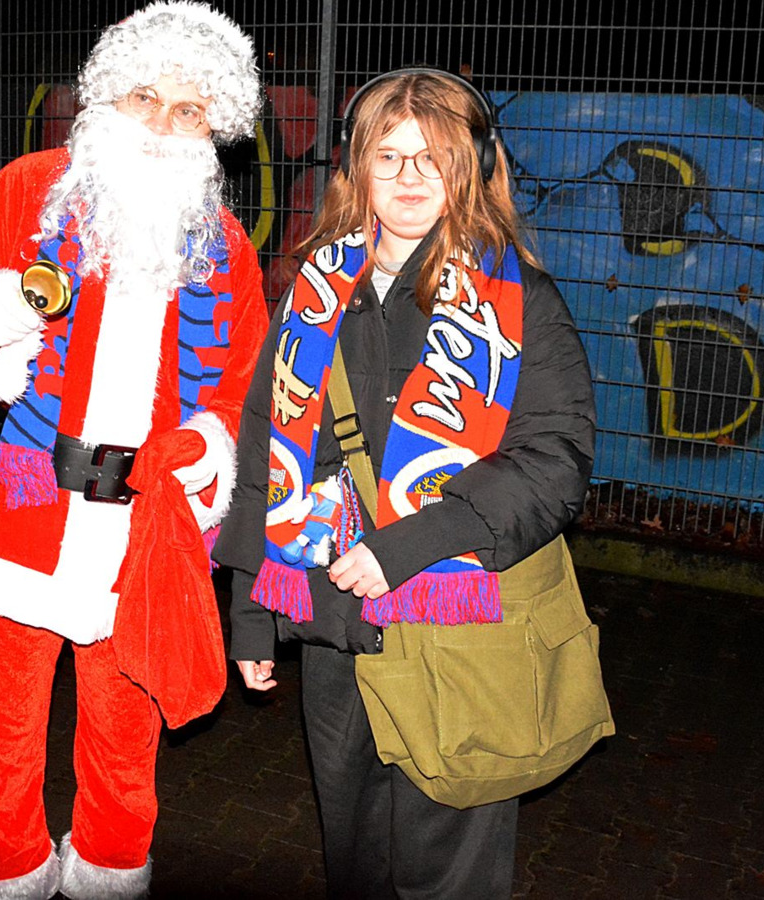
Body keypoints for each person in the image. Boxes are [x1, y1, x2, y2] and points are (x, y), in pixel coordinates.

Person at [0, 4, 267, 898]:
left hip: (145, 524)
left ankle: (109, 868)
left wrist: (211, 439)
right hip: (16, 500)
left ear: (213, 127)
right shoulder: (28, 189)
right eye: (145, 97)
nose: (163, 124)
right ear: (107, 98)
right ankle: (3, 870)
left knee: (125, 730)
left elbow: (244, 377)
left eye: (189, 110)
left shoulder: (222, 243)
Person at [215, 68, 597, 898]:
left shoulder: (519, 299)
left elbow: (555, 459)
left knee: (447, 873)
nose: (410, 178)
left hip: (458, 623)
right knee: (355, 862)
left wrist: (411, 544)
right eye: (388, 156)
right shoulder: (314, 291)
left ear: (474, 167)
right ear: (357, 168)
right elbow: (265, 448)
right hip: (333, 624)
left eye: (436, 157)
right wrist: (250, 615)